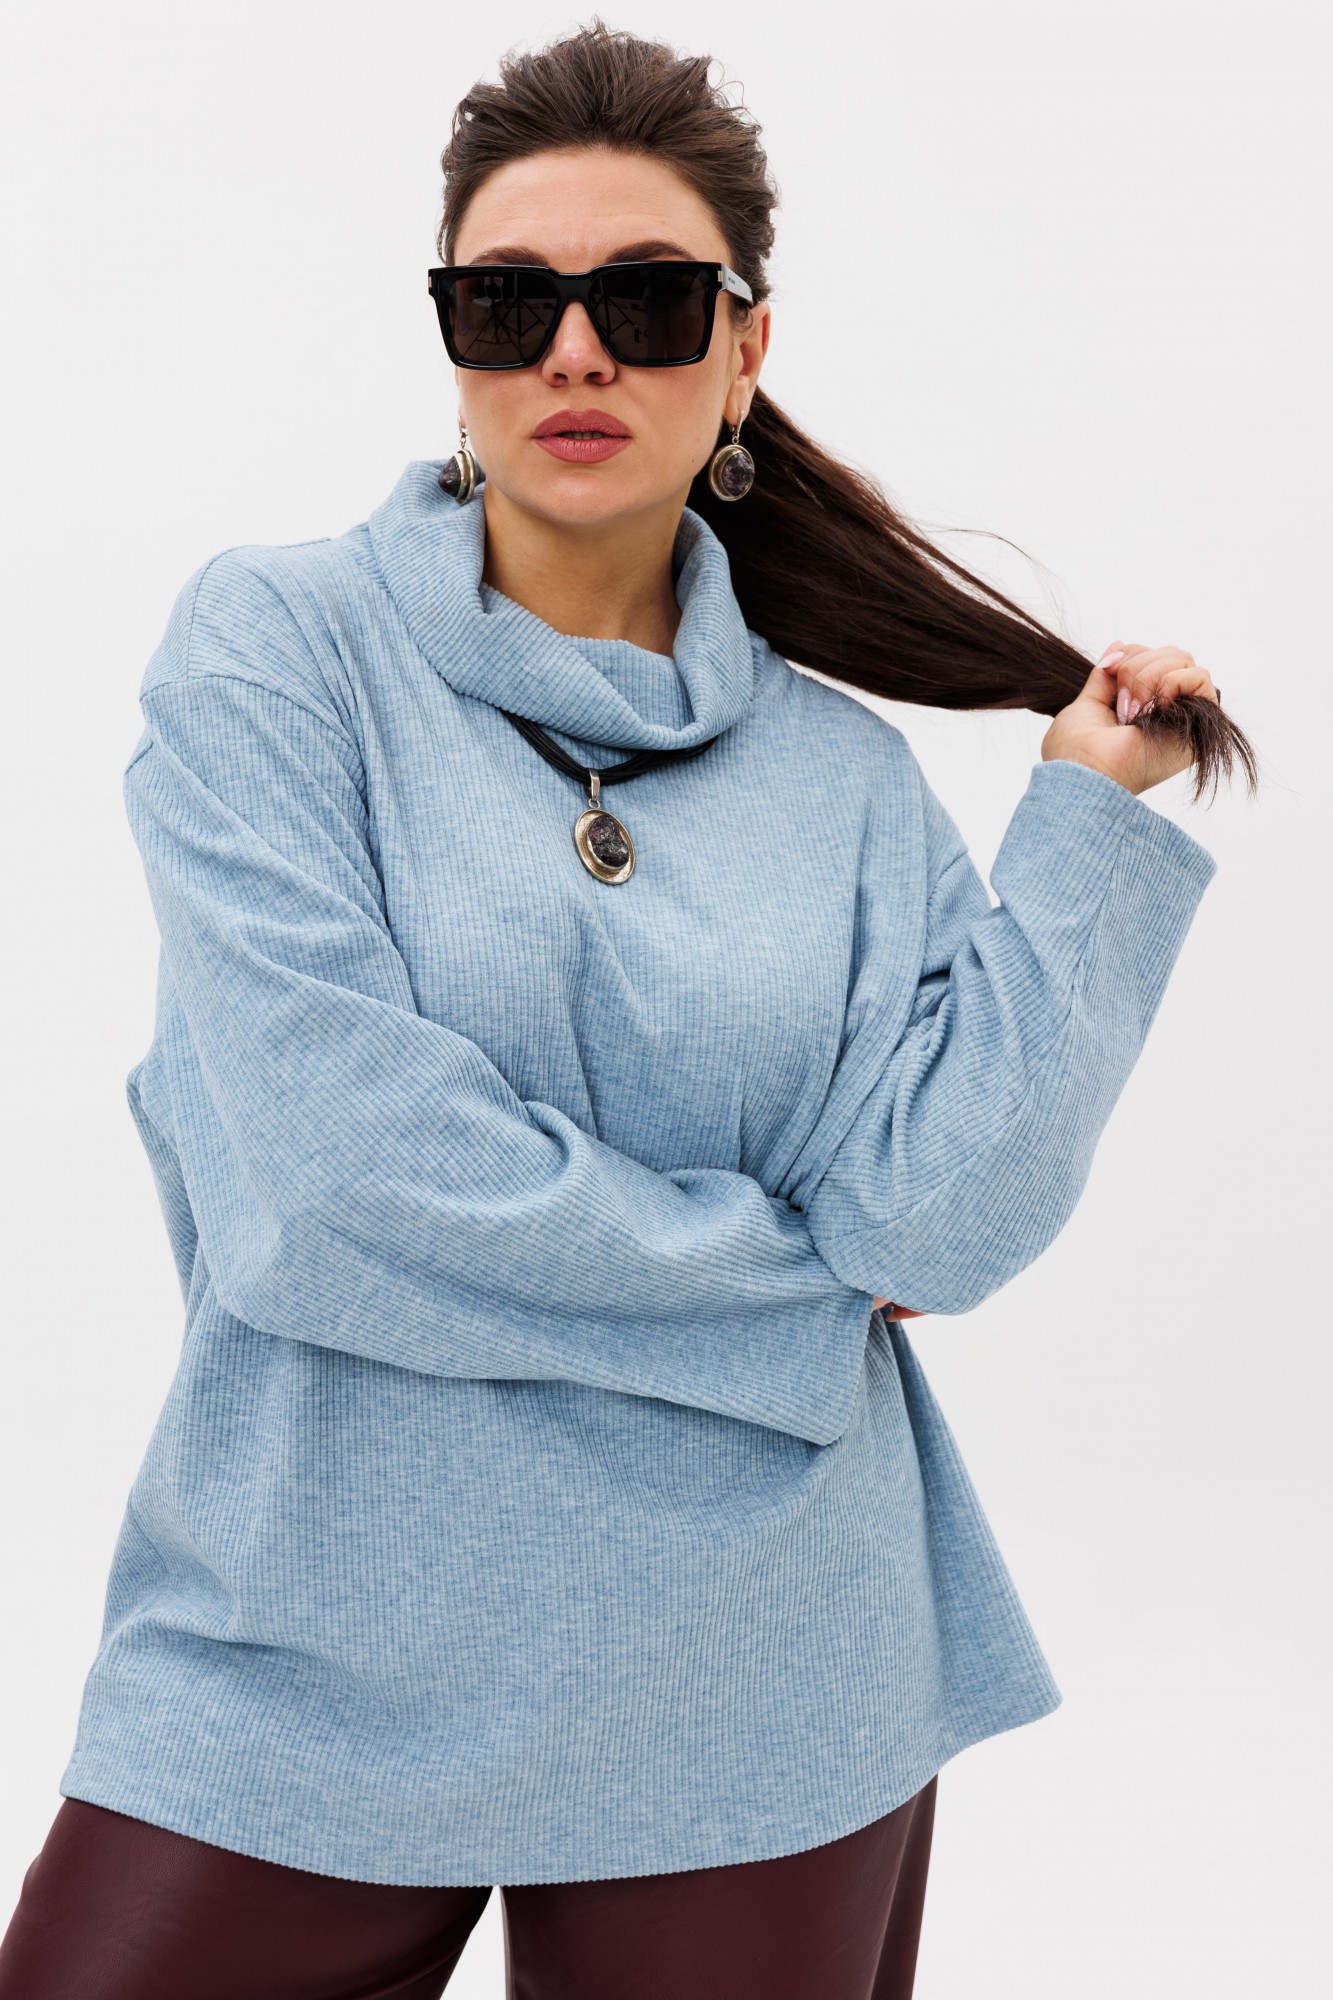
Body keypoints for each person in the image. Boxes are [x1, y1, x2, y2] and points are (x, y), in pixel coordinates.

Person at [0, 18, 1255, 2000]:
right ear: (453, 342)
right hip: (303, 1634)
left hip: (764, 1663)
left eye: (647, 302)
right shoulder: (278, 653)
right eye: (509, 303)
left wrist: (1086, 829)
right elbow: (332, 1186)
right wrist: (793, 1285)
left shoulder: (845, 781)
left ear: (742, 350)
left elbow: (936, 1226)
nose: (574, 354)